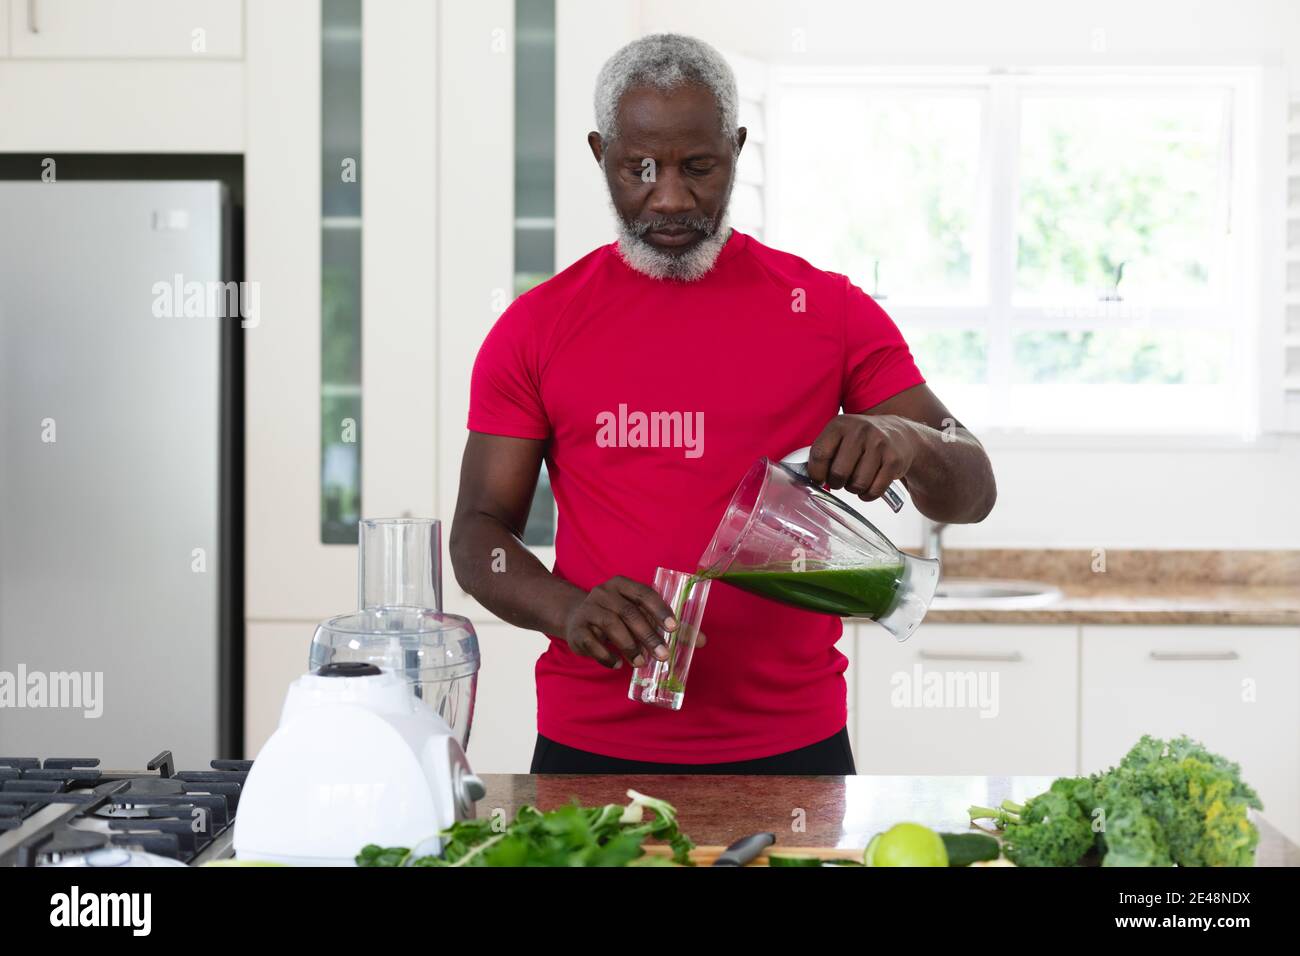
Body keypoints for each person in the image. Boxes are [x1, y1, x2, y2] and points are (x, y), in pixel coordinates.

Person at [450, 34, 996, 774]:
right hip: (590, 750)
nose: (670, 197)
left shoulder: (826, 311)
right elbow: (478, 537)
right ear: (598, 153)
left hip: (794, 752)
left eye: (698, 167)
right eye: (639, 169)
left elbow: (973, 486)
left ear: (737, 150)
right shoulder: (537, 327)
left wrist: (907, 439)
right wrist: (565, 610)